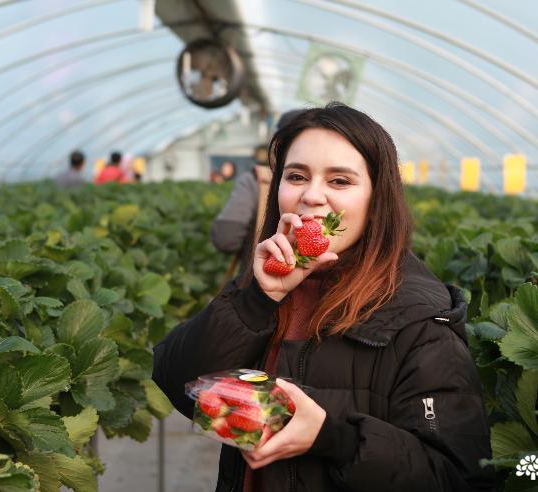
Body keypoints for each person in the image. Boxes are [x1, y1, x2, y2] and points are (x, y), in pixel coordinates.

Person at [153, 103, 494, 491]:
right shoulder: (268, 285)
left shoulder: (422, 321)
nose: (312, 196)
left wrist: (334, 438)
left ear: (377, 197)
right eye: (296, 175)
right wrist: (258, 299)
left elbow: (459, 479)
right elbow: (181, 387)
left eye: (340, 181)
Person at [210, 110, 304, 282]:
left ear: (276, 143)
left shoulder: (257, 180)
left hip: (256, 283)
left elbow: (226, 238)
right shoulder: (333, 190)